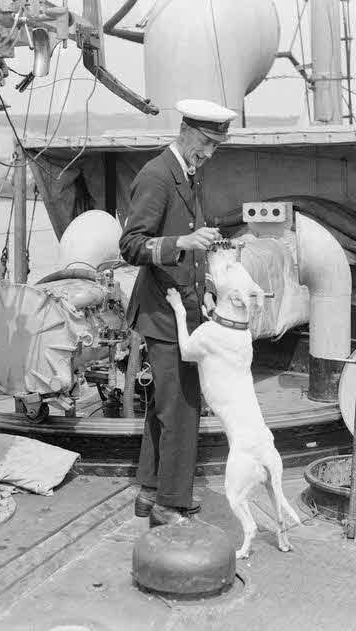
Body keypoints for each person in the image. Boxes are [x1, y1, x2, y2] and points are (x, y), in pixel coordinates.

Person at [119, 99, 236, 527]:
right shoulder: (157, 176)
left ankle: (151, 493)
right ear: (185, 130)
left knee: (163, 408)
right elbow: (131, 245)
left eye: (215, 146)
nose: (208, 153)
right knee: (183, 409)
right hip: (163, 315)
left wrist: (203, 283)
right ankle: (170, 505)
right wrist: (181, 246)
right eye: (205, 142)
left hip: (183, 309)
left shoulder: (186, 173)